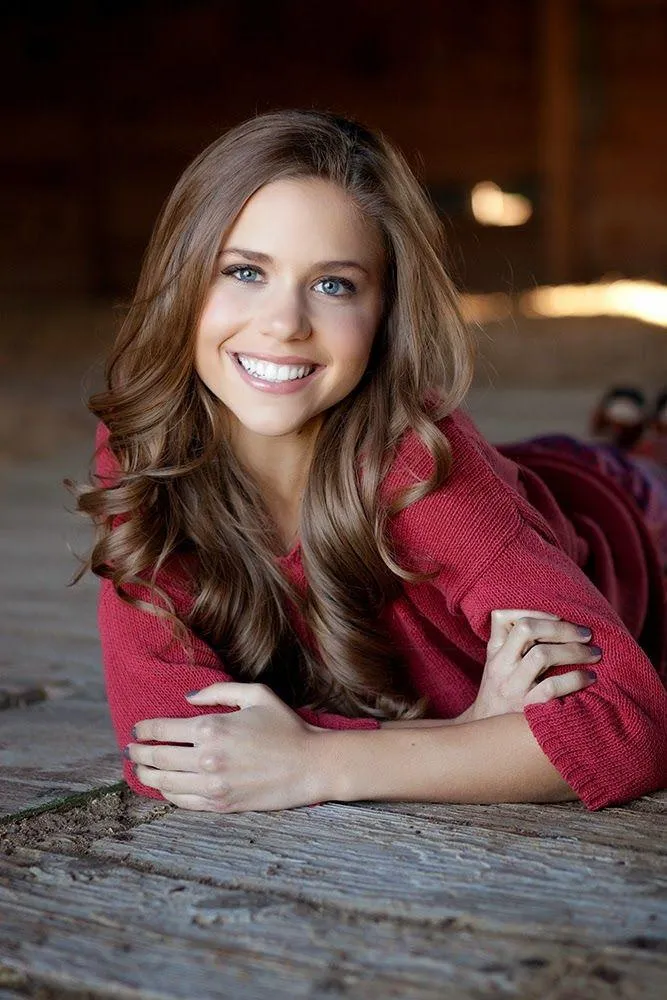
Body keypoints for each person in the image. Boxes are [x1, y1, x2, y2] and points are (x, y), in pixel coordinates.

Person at [69, 109, 667, 815]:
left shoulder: (418, 468)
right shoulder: (148, 448)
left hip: (625, 525)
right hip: (517, 480)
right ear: (183, 278)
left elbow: (629, 728)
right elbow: (172, 744)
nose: (283, 323)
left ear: (383, 313)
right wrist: (463, 734)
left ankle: (637, 436)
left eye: (333, 285)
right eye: (244, 271)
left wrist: (318, 763)